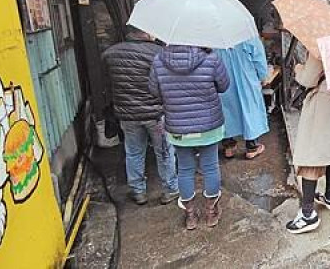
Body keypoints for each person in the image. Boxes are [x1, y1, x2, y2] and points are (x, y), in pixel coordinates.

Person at [149, 44, 230, 230]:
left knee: (185, 169)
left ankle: (191, 216)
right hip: (208, 123)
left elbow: (154, 91)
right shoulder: (211, 58)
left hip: (178, 125)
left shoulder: (159, 60)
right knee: (210, 167)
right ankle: (211, 212)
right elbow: (224, 85)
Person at [101, 27, 178, 206]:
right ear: (147, 33)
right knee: (164, 152)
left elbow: (106, 85)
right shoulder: (159, 53)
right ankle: (170, 189)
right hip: (156, 114)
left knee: (133, 152)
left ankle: (138, 191)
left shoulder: (110, 54)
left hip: (127, 115)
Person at [286, 54, 330, 234]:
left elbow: (308, 79)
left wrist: (298, 68)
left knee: (311, 156)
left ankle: (308, 214)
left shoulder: (320, 47)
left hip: (320, 103)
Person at [215, 37, 270, 159]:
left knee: (226, 110)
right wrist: (263, 76)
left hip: (224, 78)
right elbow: (258, 57)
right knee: (250, 110)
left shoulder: (214, 36)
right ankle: (252, 146)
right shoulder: (247, 34)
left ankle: (229, 146)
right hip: (247, 78)